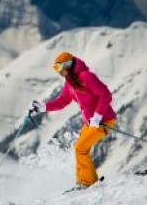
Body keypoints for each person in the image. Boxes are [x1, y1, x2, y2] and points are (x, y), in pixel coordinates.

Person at [29, 51, 117, 190]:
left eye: (59, 68)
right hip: (91, 122)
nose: (58, 72)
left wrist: (98, 115)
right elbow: (62, 101)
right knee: (80, 148)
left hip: (103, 120)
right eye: (55, 69)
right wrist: (42, 107)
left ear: (68, 65)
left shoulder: (86, 76)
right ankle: (84, 181)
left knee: (80, 149)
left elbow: (105, 95)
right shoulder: (70, 83)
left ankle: (87, 183)